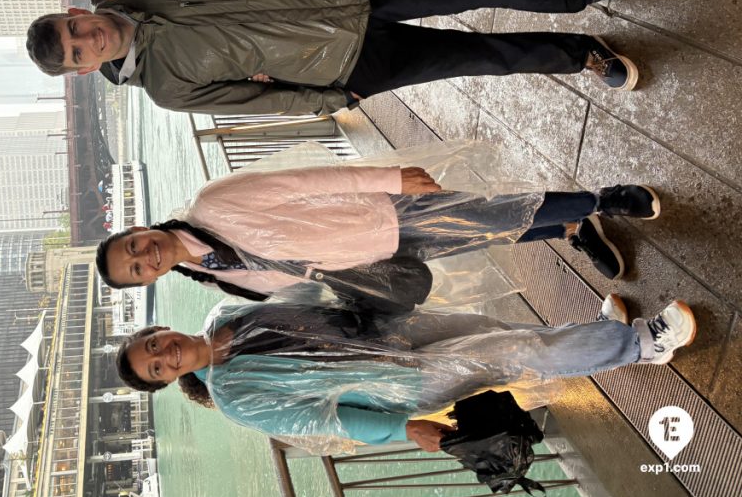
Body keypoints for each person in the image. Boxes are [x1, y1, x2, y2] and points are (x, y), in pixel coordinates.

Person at [26, 0, 651, 120]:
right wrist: (332, 102)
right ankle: (582, 56)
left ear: (76, 9)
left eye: (75, 28)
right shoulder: (164, 88)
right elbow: (253, 100)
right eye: (81, 52)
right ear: (85, 70)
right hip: (347, 64)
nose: (90, 40)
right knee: (478, 56)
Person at [117, 299, 697, 451]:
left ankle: (600, 340)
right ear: (168, 379)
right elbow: (332, 418)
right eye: (157, 366)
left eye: (152, 343)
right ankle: (643, 343)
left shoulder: (223, 315)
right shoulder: (238, 399)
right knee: (513, 348)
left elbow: (307, 297)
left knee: (492, 326)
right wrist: (405, 430)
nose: (164, 352)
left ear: (158, 328)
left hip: (388, 331)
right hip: (403, 381)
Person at [96, 161, 659, 298]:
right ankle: (570, 230)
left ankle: (604, 199)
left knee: (489, 209)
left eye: (133, 246)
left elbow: (306, 181)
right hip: (372, 259)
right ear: (149, 279)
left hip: (381, 215)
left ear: (138, 228)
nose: (145, 256)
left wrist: (392, 177)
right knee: (483, 235)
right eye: (138, 269)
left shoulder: (212, 204)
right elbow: (295, 283)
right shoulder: (210, 275)